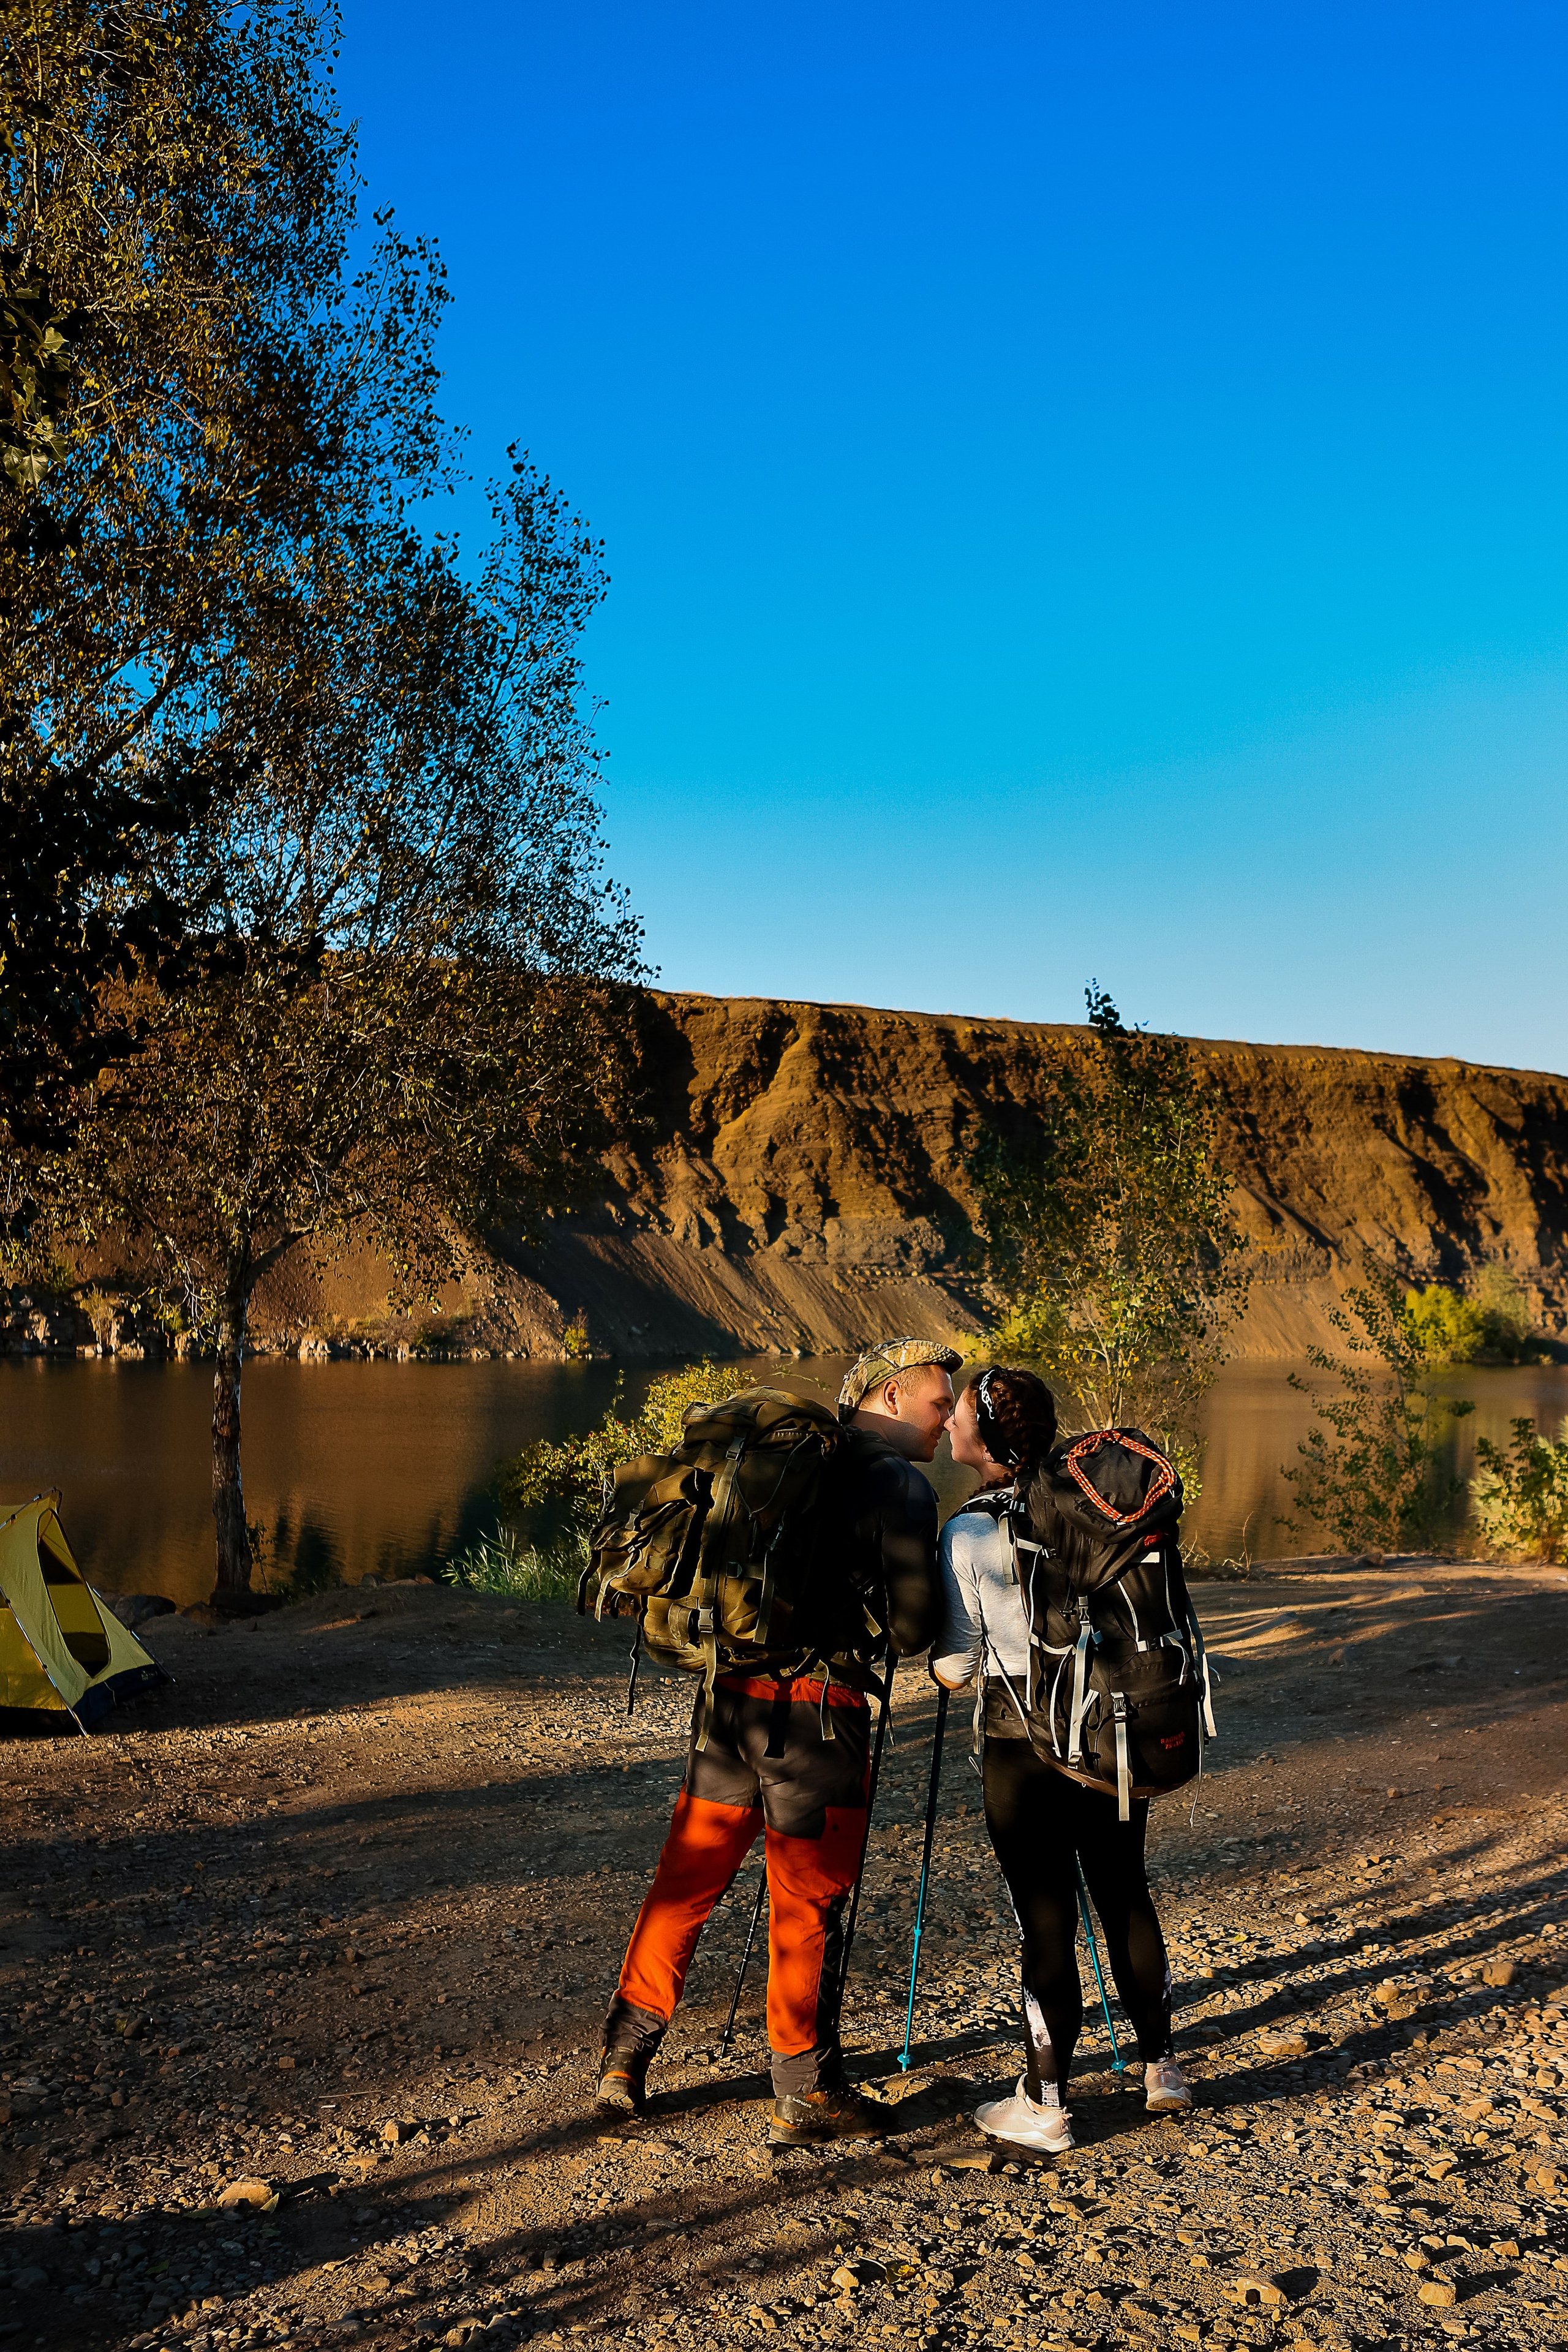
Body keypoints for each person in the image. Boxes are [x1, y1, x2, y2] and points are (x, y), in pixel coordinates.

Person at [597, 1336, 956, 2145]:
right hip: (819, 1722)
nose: (945, 1422)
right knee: (807, 1903)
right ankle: (806, 2088)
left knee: (686, 1880)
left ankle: (623, 2059)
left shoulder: (782, 1463)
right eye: (938, 1403)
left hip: (728, 1702)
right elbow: (910, 1632)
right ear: (893, 1398)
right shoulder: (896, 1483)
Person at [931, 1366, 1191, 2156]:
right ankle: (1162, 2069)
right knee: (1125, 1893)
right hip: (1111, 1728)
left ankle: (1046, 2103)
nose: (948, 1427)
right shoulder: (1095, 1507)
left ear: (987, 1439)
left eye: (961, 1417)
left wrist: (950, 1667)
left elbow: (959, 1659)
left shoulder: (969, 1531)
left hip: (1023, 1746)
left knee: (1046, 1917)